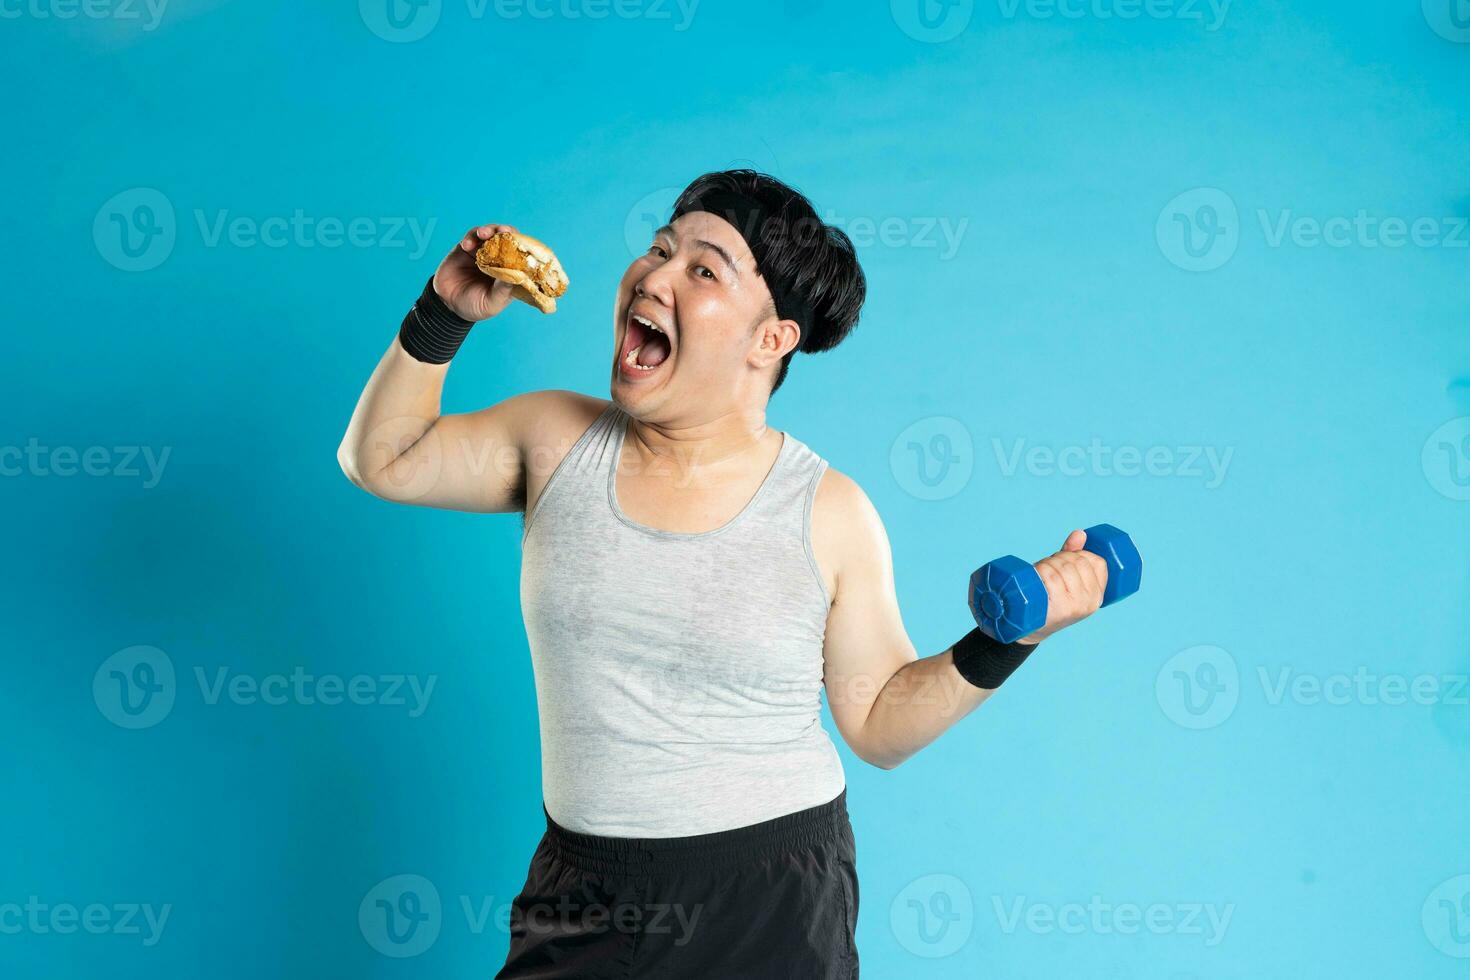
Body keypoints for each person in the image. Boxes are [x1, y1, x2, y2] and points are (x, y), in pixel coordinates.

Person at [337, 170, 1111, 978]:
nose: (654, 276)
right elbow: (380, 459)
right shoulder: (555, 439)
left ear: (770, 340)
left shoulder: (827, 511)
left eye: (703, 270)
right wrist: (442, 313)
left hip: (767, 900)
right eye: (658, 249)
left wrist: (1008, 640)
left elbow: (879, 723)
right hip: (585, 891)